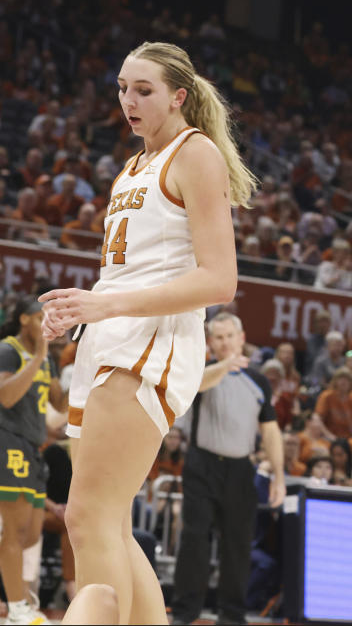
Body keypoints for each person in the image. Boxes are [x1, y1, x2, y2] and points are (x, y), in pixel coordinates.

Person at [39, 40, 257, 625]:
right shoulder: (132, 167)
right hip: (107, 341)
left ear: (178, 96)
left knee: (86, 516)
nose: (128, 101)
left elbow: (219, 281)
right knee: (105, 521)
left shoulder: (196, 154)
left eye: (143, 90)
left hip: (151, 342)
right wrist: (84, 309)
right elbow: (131, 269)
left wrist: (106, 307)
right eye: (121, 88)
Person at [170, 311, 286, 624]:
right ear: (210, 342)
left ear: (242, 338)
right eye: (218, 338)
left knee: (237, 545)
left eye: (229, 336)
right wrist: (224, 366)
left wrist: (278, 476)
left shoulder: (258, 380)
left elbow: (271, 431)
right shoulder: (201, 370)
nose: (224, 342)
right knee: (194, 539)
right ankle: (184, 612)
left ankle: (232, 615)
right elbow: (197, 386)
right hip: (202, 464)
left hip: (240, 469)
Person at [0, 297, 67, 625]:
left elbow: (60, 403)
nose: (44, 323)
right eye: (40, 316)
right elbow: (6, 396)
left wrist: (81, 366)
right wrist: (38, 356)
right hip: (6, 442)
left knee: (29, 534)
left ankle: (19, 599)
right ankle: (17, 607)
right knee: (13, 532)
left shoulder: (48, 361)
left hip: (32, 448)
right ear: (25, 319)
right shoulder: (8, 349)